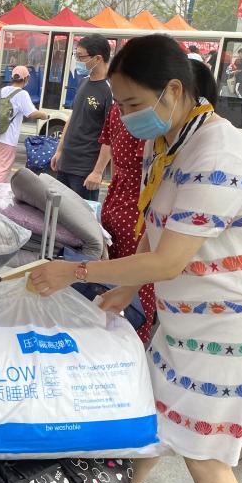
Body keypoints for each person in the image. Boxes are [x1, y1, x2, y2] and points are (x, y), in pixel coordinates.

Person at [29, 34, 242, 483]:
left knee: (209, 458)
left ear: (173, 90)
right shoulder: (170, 141)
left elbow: (170, 260)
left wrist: (78, 271)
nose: (123, 116)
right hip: (188, 321)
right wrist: (126, 285)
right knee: (155, 417)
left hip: (233, 330)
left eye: (130, 103)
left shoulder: (219, 154)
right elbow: (156, 224)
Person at [86, 102, 156, 343]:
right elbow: (148, 169)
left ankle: (113, 338)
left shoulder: (118, 108)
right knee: (138, 285)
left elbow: (112, 153)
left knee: (115, 278)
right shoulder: (145, 113)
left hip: (116, 199)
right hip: (136, 210)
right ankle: (132, 340)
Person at [50, 34, 113, 199]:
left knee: (80, 213)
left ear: (98, 58)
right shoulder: (84, 81)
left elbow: (111, 134)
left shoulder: (110, 90)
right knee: (58, 211)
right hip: (66, 163)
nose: (77, 61)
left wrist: (98, 172)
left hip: (85, 170)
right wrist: (59, 150)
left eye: (81, 57)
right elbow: (73, 117)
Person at [0, 65, 47, 187]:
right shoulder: (22, 94)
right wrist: (45, 115)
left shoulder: (3, 90)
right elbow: (31, 113)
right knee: (2, 170)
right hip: (8, 139)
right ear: (26, 79)